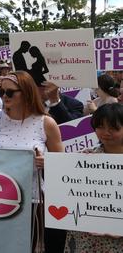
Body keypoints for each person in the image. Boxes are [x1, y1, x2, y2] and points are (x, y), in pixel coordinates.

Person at [0, 71, 64, 252]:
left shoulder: (46, 123)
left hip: (33, 202)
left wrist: (46, 162)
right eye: (2, 91)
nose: (4, 96)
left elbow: (62, 163)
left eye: (10, 92)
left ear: (26, 92)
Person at [64, 103, 123, 252]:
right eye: (100, 127)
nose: (106, 133)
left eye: (114, 128)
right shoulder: (85, 157)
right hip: (86, 236)